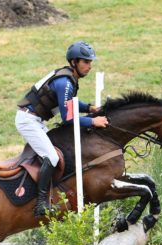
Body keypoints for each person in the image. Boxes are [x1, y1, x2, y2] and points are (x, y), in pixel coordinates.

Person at [16, 41, 109, 217]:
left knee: (58, 152)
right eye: (86, 62)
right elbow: (68, 119)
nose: (89, 66)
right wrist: (92, 122)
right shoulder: (65, 83)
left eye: (90, 62)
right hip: (28, 121)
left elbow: (69, 104)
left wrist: (89, 108)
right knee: (50, 156)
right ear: (74, 62)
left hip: (35, 119)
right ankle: (41, 204)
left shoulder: (68, 79)